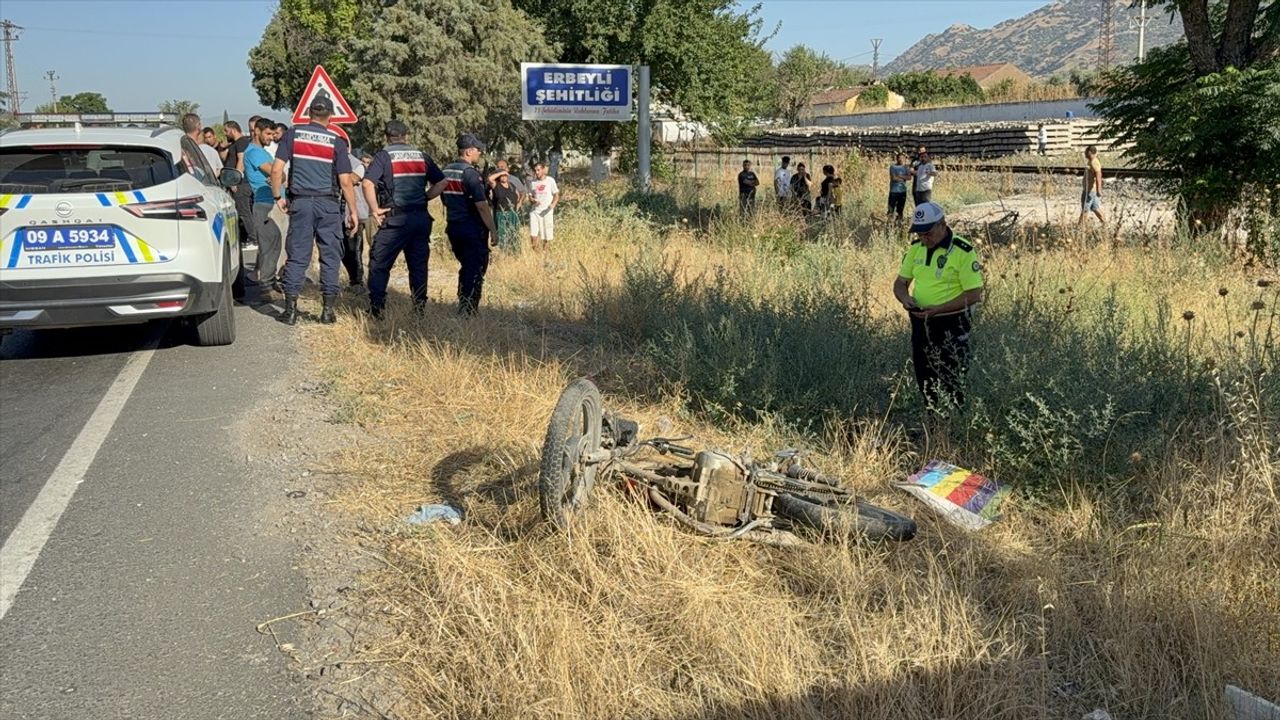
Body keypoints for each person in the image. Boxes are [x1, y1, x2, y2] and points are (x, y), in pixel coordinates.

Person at [269, 96, 359, 325]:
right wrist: (353, 211)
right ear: (330, 116)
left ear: (308, 112)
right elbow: (346, 181)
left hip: (300, 203)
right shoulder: (337, 142)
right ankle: (327, 312)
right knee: (330, 257)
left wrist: (277, 196)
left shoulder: (292, 134)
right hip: (328, 205)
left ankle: (290, 311)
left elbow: (277, 170)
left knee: (298, 256)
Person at [892, 202, 985, 410]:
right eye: (919, 234)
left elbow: (974, 295)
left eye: (928, 233)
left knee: (952, 373)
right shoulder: (916, 249)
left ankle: (955, 421)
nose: (924, 238)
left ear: (942, 225)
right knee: (924, 372)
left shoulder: (963, 251)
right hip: (920, 321)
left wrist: (938, 310)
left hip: (951, 322)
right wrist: (904, 298)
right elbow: (900, 283)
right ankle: (932, 418)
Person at [362, 120, 447, 318]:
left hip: (395, 220)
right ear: (406, 136)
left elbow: (367, 184)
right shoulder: (422, 156)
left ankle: (377, 309)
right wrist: (425, 197)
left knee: (379, 262)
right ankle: (418, 309)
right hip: (419, 218)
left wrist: (375, 210)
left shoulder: (384, 156)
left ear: (386, 137)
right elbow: (442, 182)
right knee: (418, 265)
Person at [441, 134, 499, 314]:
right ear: (468, 151)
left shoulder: (446, 171)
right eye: (477, 150)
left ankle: (464, 301)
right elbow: (482, 206)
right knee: (476, 267)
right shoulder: (471, 174)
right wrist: (493, 230)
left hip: (453, 225)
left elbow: (443, 198)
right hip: (471, 228)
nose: (480, 153)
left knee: (466, 265)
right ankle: (468, 308)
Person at [242, 118, 283, 298]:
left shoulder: (262, 152)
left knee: (274, 245)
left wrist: (279, 175)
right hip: (265, 203)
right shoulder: (255, 153)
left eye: (273, 134)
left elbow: (278, 174)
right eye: (267, 134)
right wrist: (279, 175)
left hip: (271, 203)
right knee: (268, 246)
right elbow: (275, 172)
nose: (271, 138)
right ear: (256, 131)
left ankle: (270, 282)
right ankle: (266, 287)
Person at [223, 121, 254, 248]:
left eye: (226, 131)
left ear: (232, 130)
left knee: (244, 212)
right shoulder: (234, 143)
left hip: (241, 184)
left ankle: (253, 238)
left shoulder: (241, 142)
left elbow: (241, 161)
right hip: (238, 184)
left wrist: (236, 179)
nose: (225, 133)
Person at [489, 167, 522, 253]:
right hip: (501, 214)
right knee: (502, 234)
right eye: (502, 176)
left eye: (505, 176)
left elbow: (518, 195)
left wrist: (518, 203)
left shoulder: (511, 185)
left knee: (513, 233)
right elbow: (490, 178)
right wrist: (501, 172)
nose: (504, 177)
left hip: (512, 213)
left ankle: (514, 252)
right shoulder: (496, 185)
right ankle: (504, 252)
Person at [528, 161, 559, 252]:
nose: (536, 172)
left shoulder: (550, 181)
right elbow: (530, 195)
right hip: (535, 211)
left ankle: (545, 254)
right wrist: (532, 199)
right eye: (535, 170)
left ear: (543, 169)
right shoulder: (533, 182)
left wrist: (552, 205)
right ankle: (536, 254)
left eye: (538, 170)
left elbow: (556, 195)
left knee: (547, 235)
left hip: (546, 211)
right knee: (533, 234)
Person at [1079, 145, 1105, 226]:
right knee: (1095, 208)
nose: (1085, 154)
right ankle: (1105, 224)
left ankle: (1080, 228)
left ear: (1089, 152)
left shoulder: (1094, 162)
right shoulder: (1091, 161)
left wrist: (1098, 190)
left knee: (1085, 210)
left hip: (1090, 191)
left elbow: (1098, 176)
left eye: (1086, 152)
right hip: (1090, 190)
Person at [888, 153, 911, 222]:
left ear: (905, 159)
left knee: (900, 209)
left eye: (902, 158)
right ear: (897, 159)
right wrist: (904, 178)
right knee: (891, 209)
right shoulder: (893, 167)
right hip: (894, 191)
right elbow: (893, 178)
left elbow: (909, 177)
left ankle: (899, 223)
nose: (901, 159)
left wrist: (900, 176)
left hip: (902, 191)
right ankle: (889, 223)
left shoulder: (906, 167)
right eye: (899, 158)